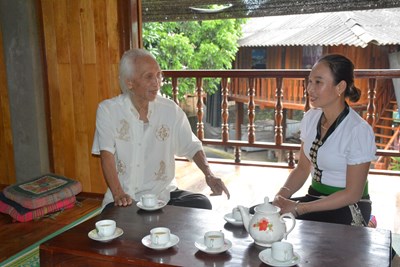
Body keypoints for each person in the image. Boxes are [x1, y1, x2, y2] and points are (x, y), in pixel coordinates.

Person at [92, 48, 230, 211]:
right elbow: (106, 155)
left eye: (158, 75)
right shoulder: (108, 110)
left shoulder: (170, 109)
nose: (157, 82)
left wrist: (209, 175)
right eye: (149, 76)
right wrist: (118, 193)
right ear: (130, 82)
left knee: (201, 203)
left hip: (162, 196)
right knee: (122, 222)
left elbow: (192, 145)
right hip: (125, 198)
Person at [272, 54, 376, 226]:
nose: (310, 89)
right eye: (309, 81)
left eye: (318, 82)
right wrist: (282, 196)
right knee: (259, 215)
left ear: (340, 87)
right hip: (314, 199)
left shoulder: (358, 131)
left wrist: (300, 208)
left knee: (291, 228)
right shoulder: (311, 118)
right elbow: (302, 169)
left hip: (348, 206)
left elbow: (353, 194)